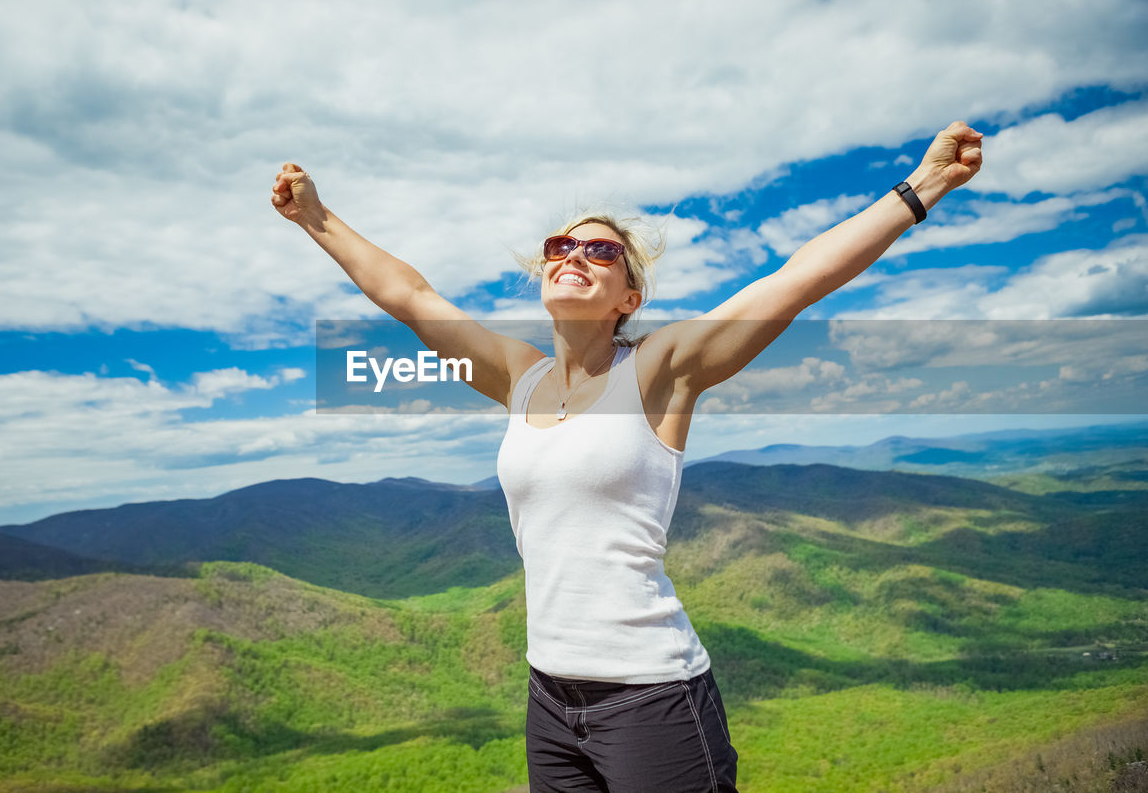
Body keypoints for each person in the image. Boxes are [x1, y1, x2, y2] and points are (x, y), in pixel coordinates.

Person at [270, 121, 984, 792]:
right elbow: (411, 295)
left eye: (600, 250)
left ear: (628, 296)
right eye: (560, 246)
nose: (574, 255)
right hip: (548, 697)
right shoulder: (517, 376)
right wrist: (314, 217)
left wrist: (919, 188)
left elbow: (796, 280)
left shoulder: (657, 369)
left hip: (652, 698)